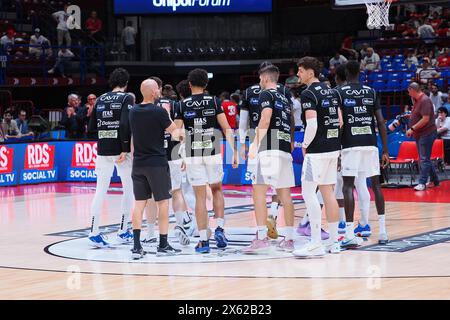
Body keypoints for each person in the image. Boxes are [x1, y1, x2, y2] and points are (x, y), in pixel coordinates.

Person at [174, 68, 239, 254]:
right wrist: (234, 152)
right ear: (206, 84)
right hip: (212, 151)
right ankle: (219, 228)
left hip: (193, 154)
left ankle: (203, 241)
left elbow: (177, 133)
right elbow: (227, 128)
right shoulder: (214, 101)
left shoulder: (182, 104)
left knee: (200, 197)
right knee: (217, 190)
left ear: (189, 84)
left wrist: (180, 151)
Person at [242, 64, 296, 254]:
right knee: (285, 195)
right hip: (283, 148)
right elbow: (291, 122)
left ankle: (261, 237)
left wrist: (254, 145)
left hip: (268, 148)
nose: (259, 83)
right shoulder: (284, 96)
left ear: (265, 79)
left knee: (258, 191)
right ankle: (289, 239)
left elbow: (264, 120)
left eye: (259, 79)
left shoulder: (266, 94)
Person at [336, 60, 390, 245]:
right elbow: (381, 122)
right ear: (360, 72)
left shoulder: (340, 92)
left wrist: (337, 149)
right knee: (376, 186)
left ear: (345, 73)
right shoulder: (371, 91)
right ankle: (383, 231)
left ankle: (349, 233)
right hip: (371, 144)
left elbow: (339, 123)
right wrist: (385, 150)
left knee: (348, 186)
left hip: (350, 144)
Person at [292, 56, 342, 258]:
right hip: (333, 148)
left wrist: (305, 144)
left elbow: (312, 124)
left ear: (310, 73)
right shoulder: (332, 91)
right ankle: (333, 242)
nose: (298, 74)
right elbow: (339, 121)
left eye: (301, 70)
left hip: (317, 150)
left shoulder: (308, 93)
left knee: (308, 192)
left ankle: (315, 242)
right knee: (328, 193)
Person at [129, 79, 182, 259]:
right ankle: (163, 243)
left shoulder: (133, 111)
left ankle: (137, 246)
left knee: (139, 204)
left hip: (138, 163)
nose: (160, 91)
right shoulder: (159, 111)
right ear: (153, 92)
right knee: (163, 202)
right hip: (157, 163)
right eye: (157, 89)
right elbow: (175, 134)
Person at [86, 68, 134, 247]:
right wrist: (123, 147)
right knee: (128, 189)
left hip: (103, 149)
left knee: (100, 190)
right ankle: (123, 231)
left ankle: (93, 232)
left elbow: (91, 127)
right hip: (121, 150)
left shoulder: (100, 99)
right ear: (126, 83)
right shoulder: (127, 97)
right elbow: (124, 123)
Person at [406, 82, 440, 191]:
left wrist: (412, 128)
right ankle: (435, 180)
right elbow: (419, 115)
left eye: (409, 91)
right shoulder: (417, 100)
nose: (408, 93)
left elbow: (425, 119)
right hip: (420, 134)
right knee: (425, 158)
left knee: (424, 159)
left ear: (412, 90)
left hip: (427, 133)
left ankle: (422, 183)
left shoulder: (425, 100)